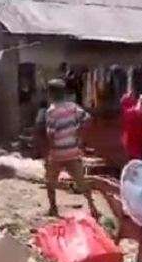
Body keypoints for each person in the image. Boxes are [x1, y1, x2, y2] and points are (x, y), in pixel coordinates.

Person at [36, 79, 100, 218]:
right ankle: (93, 207)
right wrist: (79, 136)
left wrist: (49, 153)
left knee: (50, 181)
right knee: (81, 181)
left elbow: (51, 134)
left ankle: (53, 209)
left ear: (50, 94)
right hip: (72, 151)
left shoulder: (51, 111)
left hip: (58, 153)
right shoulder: (73, 107)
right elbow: (88, 119)